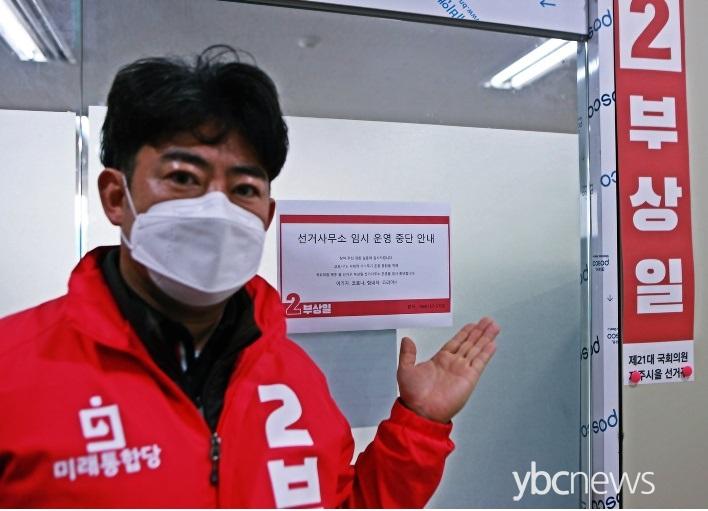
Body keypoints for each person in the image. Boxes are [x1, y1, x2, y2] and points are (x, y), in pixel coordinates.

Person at [0, 46, 500, 507]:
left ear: (266, 214)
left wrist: (418, 424)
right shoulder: (15, 371)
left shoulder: (294, 378)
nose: (216, 208)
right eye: (183, 178)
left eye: (243, 188)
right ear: (115, 197)